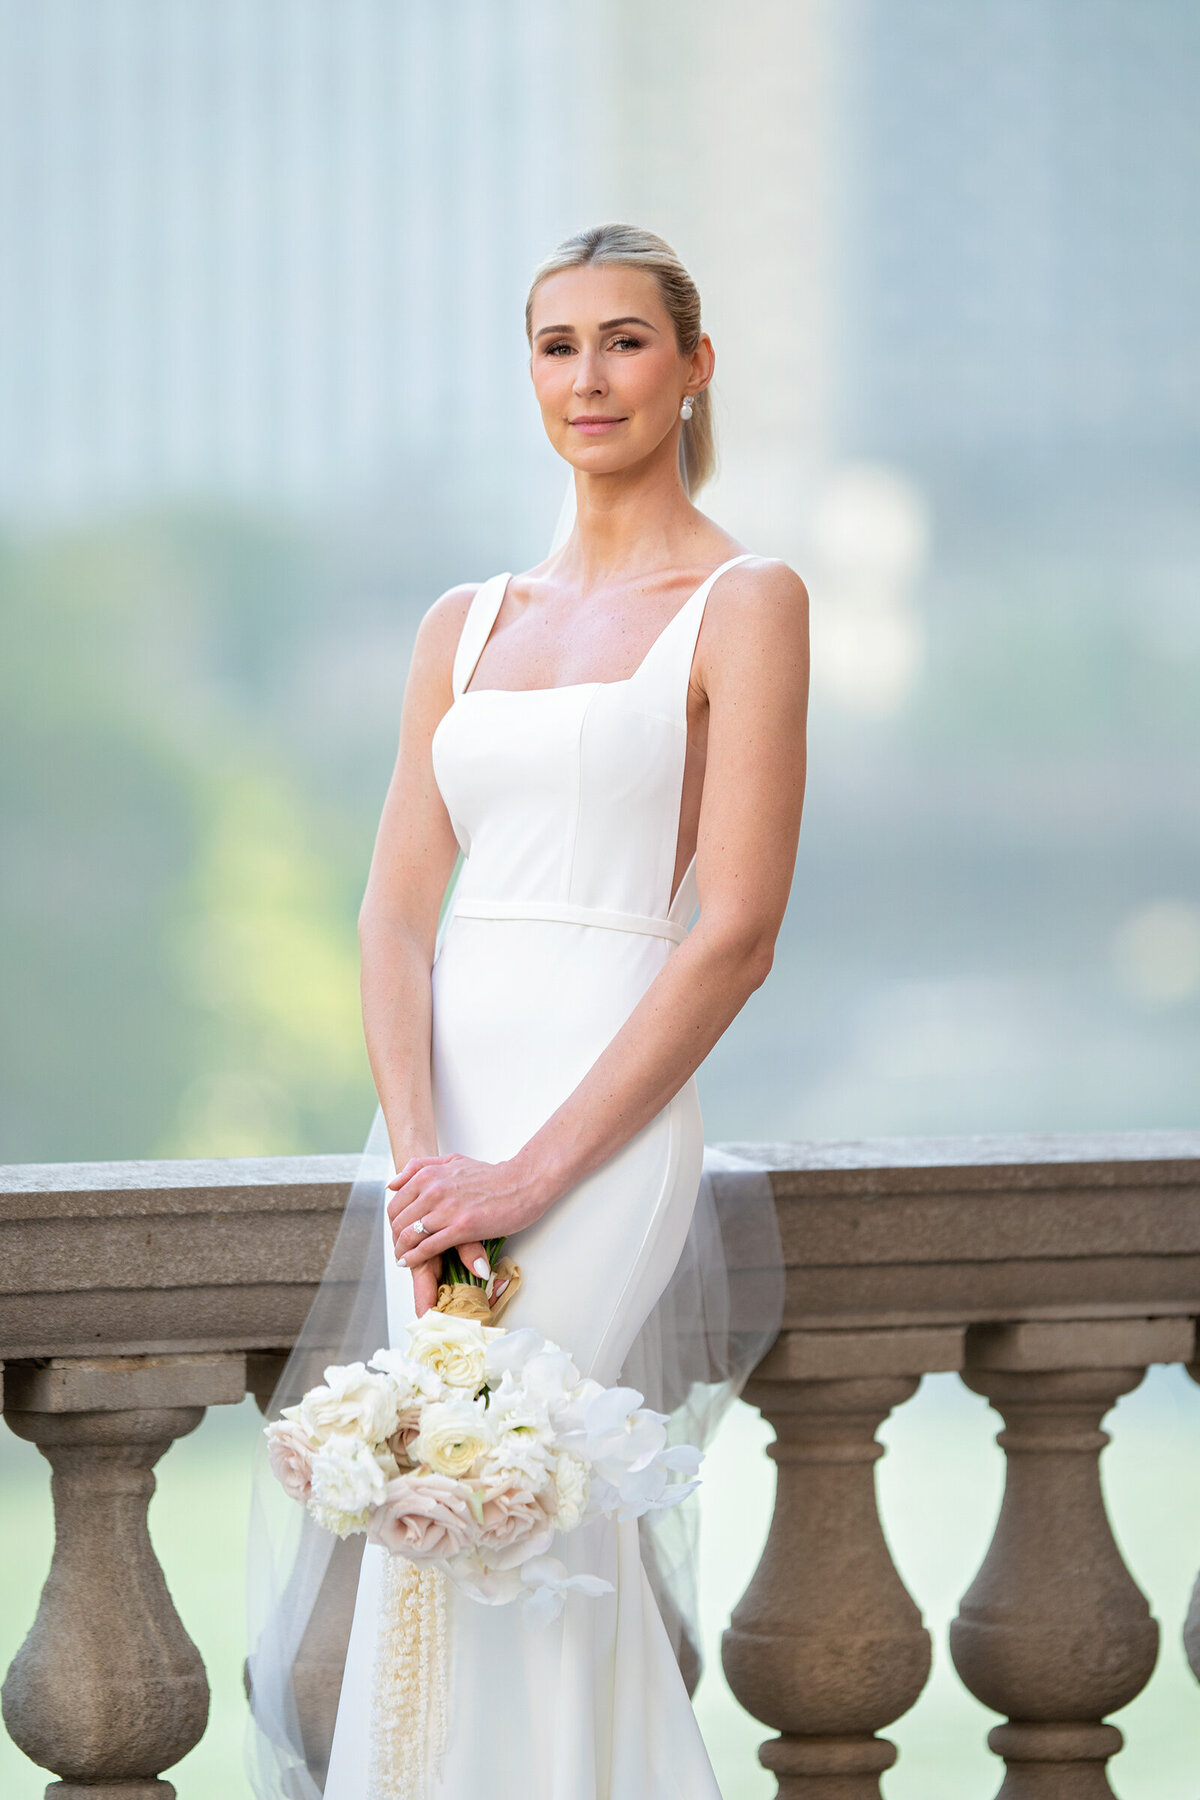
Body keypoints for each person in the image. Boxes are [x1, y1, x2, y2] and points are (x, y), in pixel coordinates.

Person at [251, 222, 809, 1800]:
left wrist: (528, 1177)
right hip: (443, 1119)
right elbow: (392, 913)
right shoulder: (465, 621)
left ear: (694, 368)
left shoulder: (749, 600)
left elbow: (739, 930)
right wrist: (428, 1167)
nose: (591, 377)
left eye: (626, 341)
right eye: (558, 346)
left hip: (598, 1120)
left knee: (537, 1498)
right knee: (434, 1520)